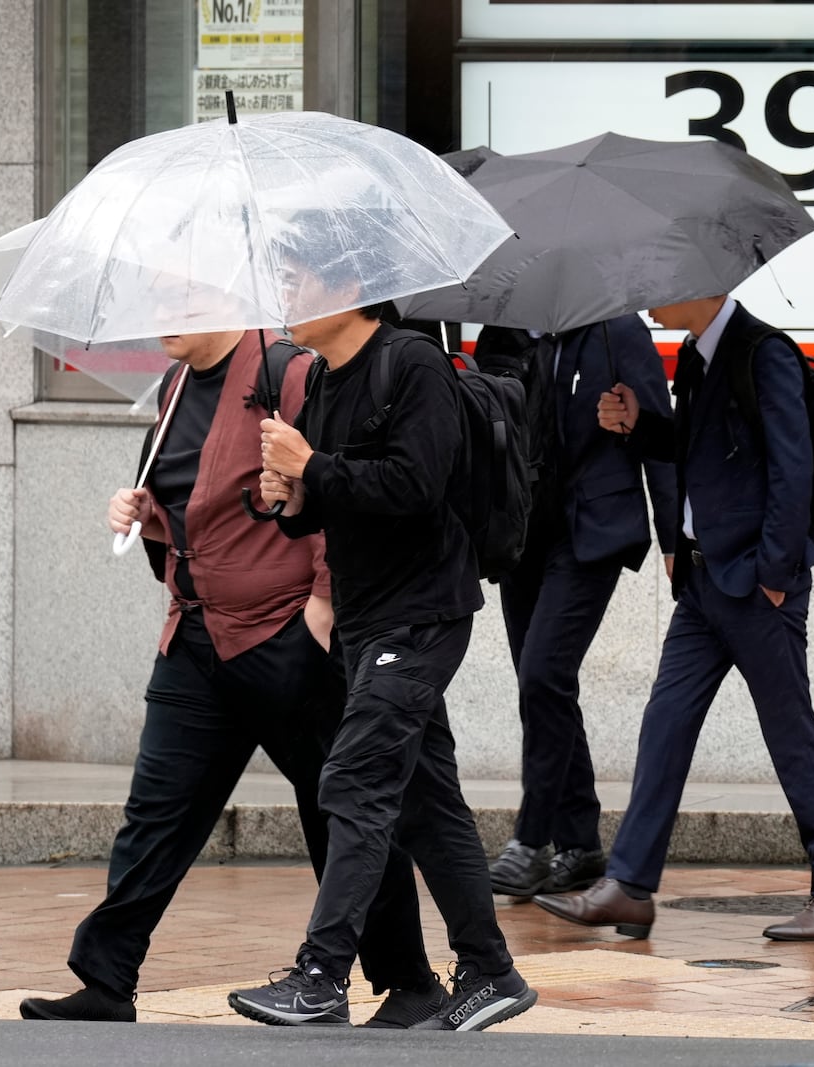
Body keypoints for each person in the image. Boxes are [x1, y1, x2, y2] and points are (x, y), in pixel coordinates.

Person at [19, 328, 439, 1025]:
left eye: (179, 296)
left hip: (282, 632)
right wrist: (144, 514)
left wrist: (323, 604)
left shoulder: (287, 372)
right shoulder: (176, 385)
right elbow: (193, 506)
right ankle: (105, 977)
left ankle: (409, 983)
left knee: (340, 806)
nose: (163, 319)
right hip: (194, 635)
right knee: (156, 812)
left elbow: (336, 487)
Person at [231, 275, 534, 1030]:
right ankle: (492, 971)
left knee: (356, 778)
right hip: (370, 619)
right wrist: (290, 497)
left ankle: (320, 975)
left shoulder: (414, 365)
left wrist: (312, 467)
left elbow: (417, 486)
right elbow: (338, 500)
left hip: (423, 614)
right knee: (427, 804)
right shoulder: (325, 380)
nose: (290, 296)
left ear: (350, 289)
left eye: (303, 281)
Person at [533, 294, 814, 942]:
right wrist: (640, 422)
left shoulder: (763, 352)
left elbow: (791, 469)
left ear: (705, 285)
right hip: (702, 584)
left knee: (791, 736)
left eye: (665, 285)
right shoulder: (696, 355)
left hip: (752, 584)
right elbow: (698, 450)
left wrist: (773, 576)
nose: (652, 300)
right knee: (665, 723)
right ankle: (629, 885)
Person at [479, 316, 677, 899]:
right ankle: (581, 843)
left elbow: (662, 438)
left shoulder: (616, 332)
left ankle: (532, 840)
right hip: (522, 533)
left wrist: (673, 538)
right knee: (544, 685)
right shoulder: (505, 332)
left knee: (544, 676)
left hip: (591, 530)